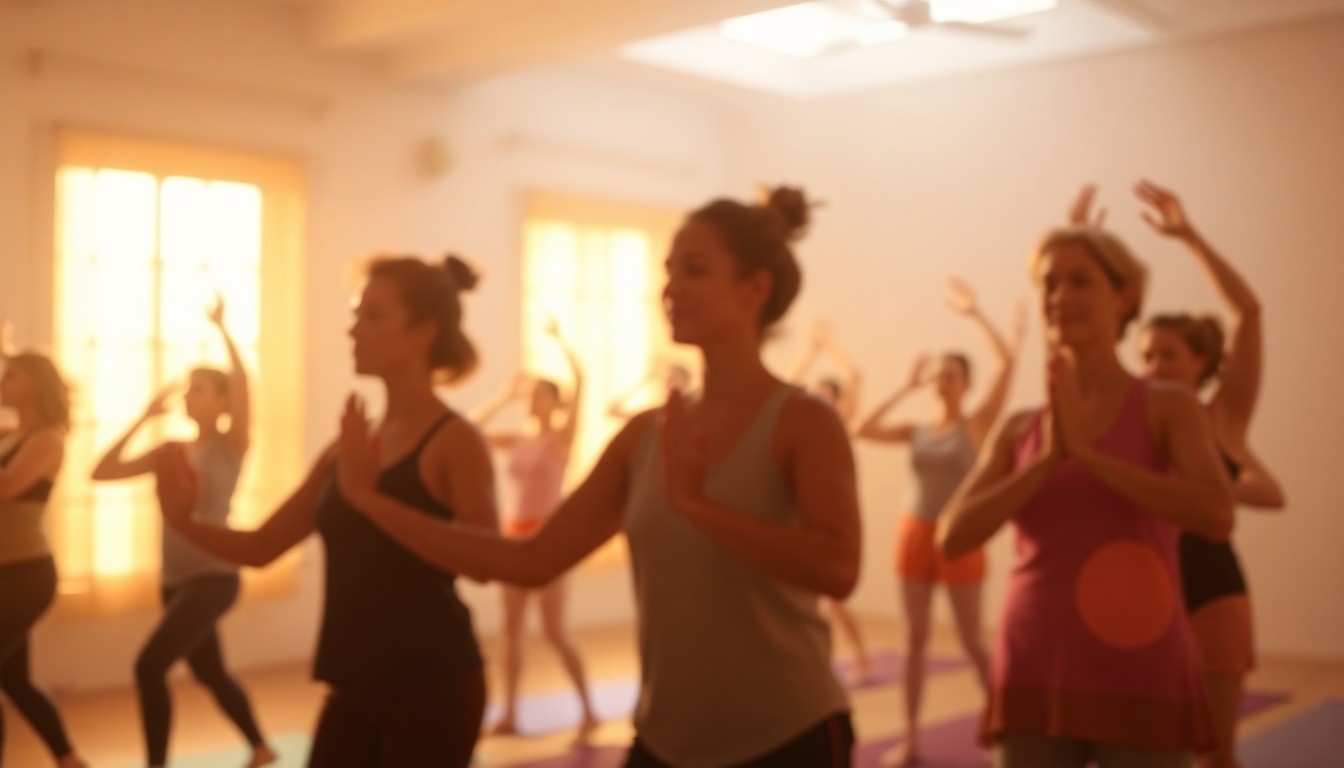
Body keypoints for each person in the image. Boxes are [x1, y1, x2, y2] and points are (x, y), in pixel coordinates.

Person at [325, 187, 861, 767]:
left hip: (787, 738)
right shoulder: (643, 435)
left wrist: (697, 505)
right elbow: (532, 560)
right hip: (665, 740)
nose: (670, 289)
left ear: (754, 290)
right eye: (668, 271)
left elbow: (838, 568)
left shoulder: (804, 421)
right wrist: (369, 500)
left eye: (695, 271)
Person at [154, 255, 496, 767]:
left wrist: (369, 499)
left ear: (424, 331)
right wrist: (183, 521)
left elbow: (486, 560)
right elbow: (263, 546)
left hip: (435, 685)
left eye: (372, 316)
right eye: (356, 314)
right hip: (352, 686)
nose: (352, 329)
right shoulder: (348, 447)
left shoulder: (455, 441)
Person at [939, 220, 1235, 767]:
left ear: (1125, 297)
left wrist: (1092, 458)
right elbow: (951, 537)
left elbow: (1216, 514)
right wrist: (1048, 460)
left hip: (1142, 666)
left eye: (1080, 281)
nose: (1059, 297)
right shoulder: (1021, 429)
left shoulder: (1169, 406)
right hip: (1034, 662)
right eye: (1049, 284)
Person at [1124, 181, 1285, 768]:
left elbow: (1249, 313)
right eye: (1145, 355)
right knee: (1153, 750)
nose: (1153, 366)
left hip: (1215, 591)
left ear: (1201, 362)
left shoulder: (1224, 417)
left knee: (1217, 754)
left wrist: (1189, 237)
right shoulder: (1132, 418)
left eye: (1168, 354)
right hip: (1149, 589)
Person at [92, 296, 275, 768]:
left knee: (148, 666)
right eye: (188, 389)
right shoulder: (169, 451)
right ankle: (261, 746)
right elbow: (102, 471)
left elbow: (245, 384)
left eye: (200, 389)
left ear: (222, 401)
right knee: (210, 672)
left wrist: (224, 329)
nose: (189, 396)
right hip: (172, 580)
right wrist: (143, 417)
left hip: (215, 577)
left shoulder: (231, 446)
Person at [855, 279, 1023, 767]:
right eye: (938, 376)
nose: (942, 382)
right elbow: (862, 427)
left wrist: (975, 314)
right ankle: (910, 737)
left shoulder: (978, 424)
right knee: (914, 640)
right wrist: (905, 387)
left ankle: (1006, 731)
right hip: (914, 535)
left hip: (960, 536)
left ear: (966, 383)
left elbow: (1007, 363)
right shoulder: (919, 431)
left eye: (951, 375)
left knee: (971, 641)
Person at [473, 319, 597, 747]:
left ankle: (590, 712)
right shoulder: (517, 440)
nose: (530, 401)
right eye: (527, 396)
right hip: (513, 540)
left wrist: (561, 342)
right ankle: (509, 713)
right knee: (510, 631)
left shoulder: (560, 439)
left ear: (553, 403)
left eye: (536, 396)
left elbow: (582, 382)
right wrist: (503, 397)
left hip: (548, 542)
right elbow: (470, 430)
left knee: (554, 631)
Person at [0, 317, 88, 768]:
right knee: (15, 680)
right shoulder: (9, 435)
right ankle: (69, 758)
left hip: (26, 576)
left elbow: (6, 487)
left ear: (34, 385)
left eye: (11, 375)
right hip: (5, 572)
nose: (3, 381)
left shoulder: (48, 439)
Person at [786, 320, 872, 683]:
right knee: (811, 598)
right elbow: (787, 387)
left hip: (831, 514)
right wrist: (810, 351)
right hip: (801, 512)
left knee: (831, 598)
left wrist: (830, 348)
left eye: (825, 394)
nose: (818, 399)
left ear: (837, 401)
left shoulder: (840, 421)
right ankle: (816, 661)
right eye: (815, 393)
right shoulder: (802, 424)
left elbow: (855, 377)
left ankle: (862, 658)